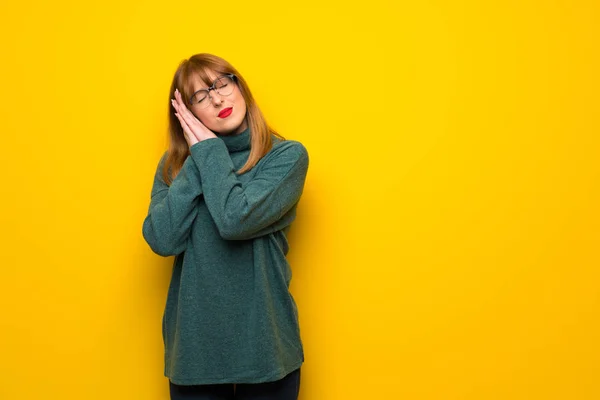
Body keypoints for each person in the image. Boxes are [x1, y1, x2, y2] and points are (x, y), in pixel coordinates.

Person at [141, 53, 309, 400]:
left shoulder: (285, 157)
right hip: (195, 351)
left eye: (222, 84)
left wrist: (209, 153)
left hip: (266, 345)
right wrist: (196, 158)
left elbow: (235, 219)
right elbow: (160, 238)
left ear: (240, 86)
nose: (217, 98)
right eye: (200, 96)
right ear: (185, 114)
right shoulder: (175, 166)